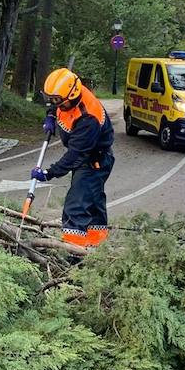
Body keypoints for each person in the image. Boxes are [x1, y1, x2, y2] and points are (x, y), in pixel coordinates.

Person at [29, 67, 114, 248]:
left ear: (72, 96)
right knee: (93, 202)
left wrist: (48, 173)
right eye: (51, 99)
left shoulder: (88, 119)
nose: (55, 103)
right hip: (89, 158)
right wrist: (51, 116)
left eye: (58, 101)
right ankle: (97, 246)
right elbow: (55, 102)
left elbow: (75, 156)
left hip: (93, 162)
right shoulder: (67, 94)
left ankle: (72, 254)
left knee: (76, 207)